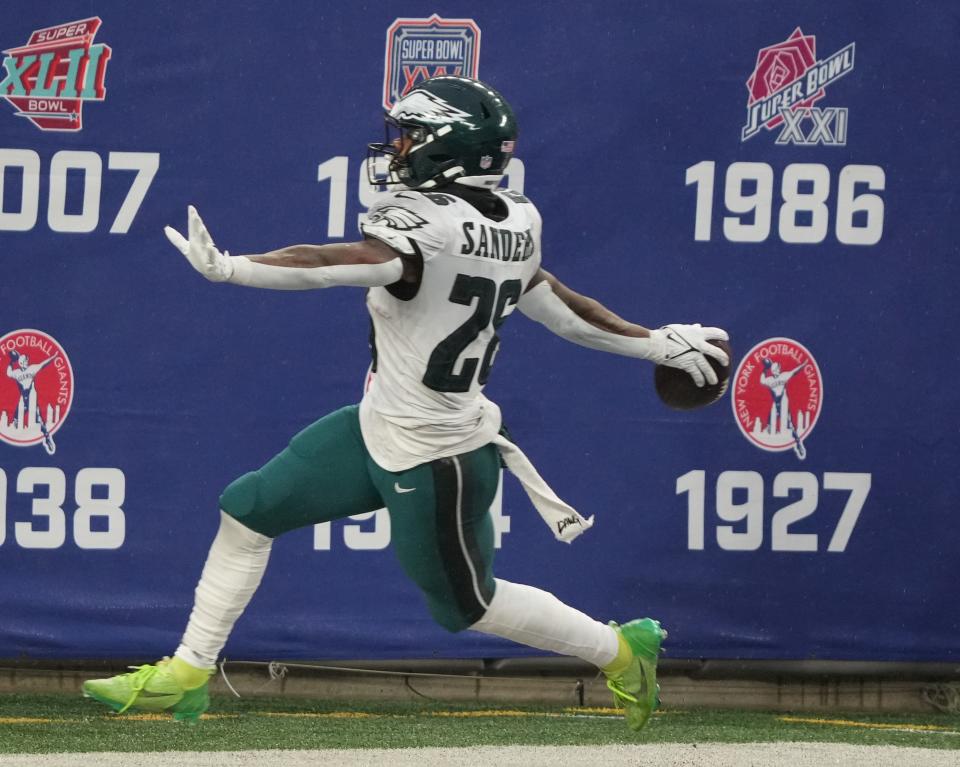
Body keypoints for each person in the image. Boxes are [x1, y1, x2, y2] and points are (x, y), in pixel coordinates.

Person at [82, 76, 728, 732]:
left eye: (413, 135)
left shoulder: (428, 225)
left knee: (469, 607)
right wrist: (651, 344)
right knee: (247, 509)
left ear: (451, 147)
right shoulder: (517, 220)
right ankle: (188, 673)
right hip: (378, 427)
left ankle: (622, 651)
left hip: (438, 455)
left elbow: (338, 262)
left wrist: (234, 267)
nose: (399, 146)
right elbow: (564, 309)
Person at [6, 350, 58, 455]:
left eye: (27, 361)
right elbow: (8, 373)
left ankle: (47, 438)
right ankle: (13, 449)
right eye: (25, 361)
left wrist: (53, 357)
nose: (27, 362)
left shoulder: (32, 369)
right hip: (23, 401)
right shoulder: (17, 373)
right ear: (20, 363)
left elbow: (43, 364)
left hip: (31, 399)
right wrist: (11, 362)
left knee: (39, 420)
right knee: (15, 419)